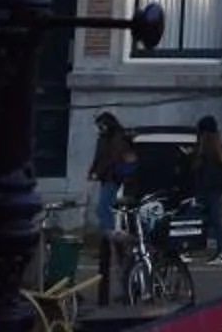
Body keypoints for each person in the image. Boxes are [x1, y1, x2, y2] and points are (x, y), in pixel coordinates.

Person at [87, 112, 136, 302]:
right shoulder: (104, 139)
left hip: (113, 180)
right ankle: (111, 235)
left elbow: (112, 159)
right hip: (106, 179)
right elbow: (98, 158)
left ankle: (110, 233)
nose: (99, 129)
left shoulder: (117, 139)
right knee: (118, 253)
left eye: (101, 125)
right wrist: (92, 171)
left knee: (103, 210)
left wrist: (97, 172)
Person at [190, 116, 222, 265]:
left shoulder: (207, 146)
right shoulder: (218, 146)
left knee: (205, 217)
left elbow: (197, 166)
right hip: (214, 187)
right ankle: (217, 249)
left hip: (209, 188)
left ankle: (220, 251)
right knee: (211, 219)